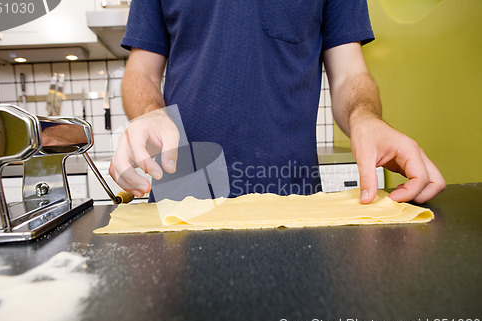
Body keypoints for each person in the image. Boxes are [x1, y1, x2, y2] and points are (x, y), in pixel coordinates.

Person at [109, 0, 445, 204]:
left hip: (292, 203)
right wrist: (150, 114)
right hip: (181, 197)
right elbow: (142, 73)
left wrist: (366, 118)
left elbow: (348, 76)